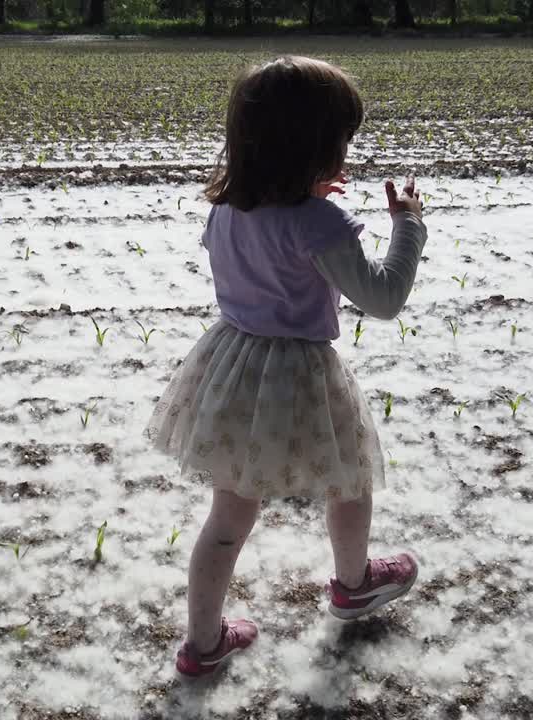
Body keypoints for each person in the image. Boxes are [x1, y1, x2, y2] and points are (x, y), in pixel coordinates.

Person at [143, 55, 428, 678]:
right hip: (300, 374)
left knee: (228, 515)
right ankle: (354, 584)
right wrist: (408, 228)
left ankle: (203, 644)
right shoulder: (319, 222)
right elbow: (382, 299)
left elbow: (268, 247)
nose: (346, 150)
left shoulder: (226, 207)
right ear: (315, 145)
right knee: (349, 478)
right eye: (342, 138)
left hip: (231, 365)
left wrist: (305, 200)